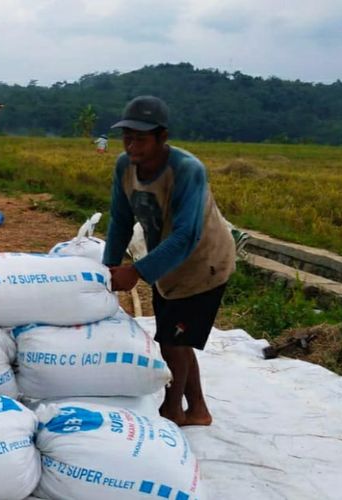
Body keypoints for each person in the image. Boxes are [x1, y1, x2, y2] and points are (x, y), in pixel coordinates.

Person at [102, 96, 236, 427]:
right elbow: (120, 220)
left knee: (174, 342)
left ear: (162, 137)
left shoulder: (187, 170)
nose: (132, 145)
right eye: (127, 137)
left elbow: (186, 235)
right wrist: (108, 265)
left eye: (141, 138)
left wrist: (136, 271)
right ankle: (198, 409)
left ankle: (173, 409)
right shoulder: (125, 166)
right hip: (168, 264)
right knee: (174, 339)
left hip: (203, 265)